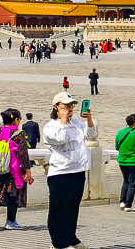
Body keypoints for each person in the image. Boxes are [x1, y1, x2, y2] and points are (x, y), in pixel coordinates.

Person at [43, 92, 96, 249]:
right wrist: (64, 120)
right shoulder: (50, 126)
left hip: (78, 171)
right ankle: (58, 242)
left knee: (72, 208)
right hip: (60, 173)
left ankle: (71, 237)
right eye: (66, 105)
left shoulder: (77, 124)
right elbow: (60, 138)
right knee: (58, 209)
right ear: (56, 107)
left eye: (72, 105)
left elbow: (91, 134)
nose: (70, 108)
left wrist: (88, 119)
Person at [0, 108, 33, 231]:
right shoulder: (19, 135)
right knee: (12, 196)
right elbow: (23, 154)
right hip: (13, 171)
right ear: (15, 120)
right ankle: (11, 222)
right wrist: (27, 170)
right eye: (19, 119)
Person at [115, 114, 135, 212]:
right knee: (132, 183)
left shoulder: (120, 132)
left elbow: (117, 147)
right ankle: (128, 205)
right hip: (134, 162)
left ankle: (122, 202)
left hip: (122, 162)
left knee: (125, 181)